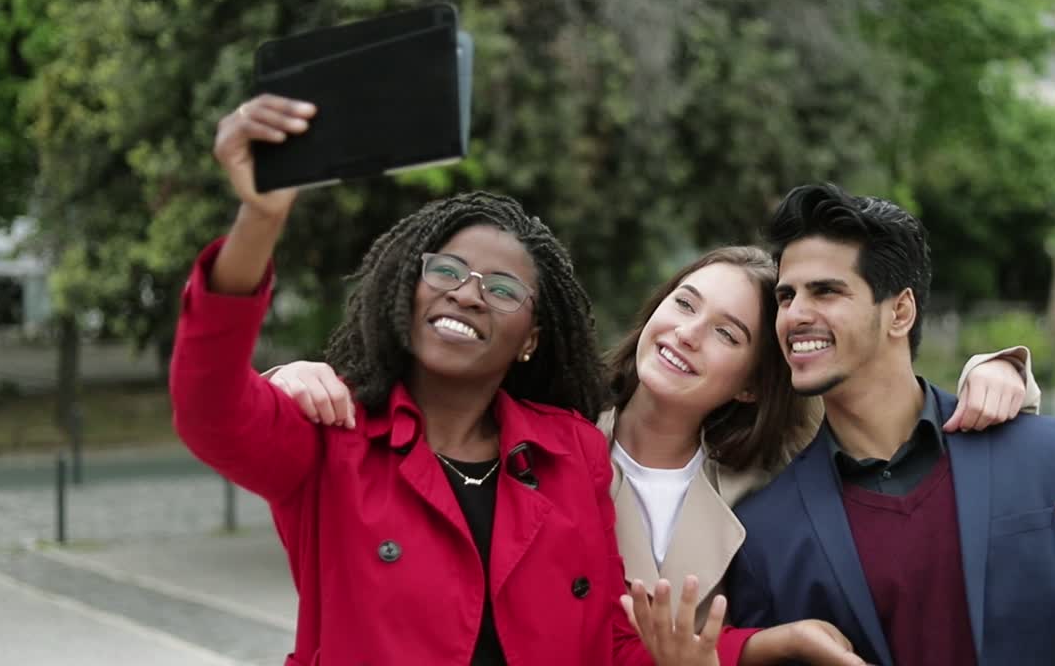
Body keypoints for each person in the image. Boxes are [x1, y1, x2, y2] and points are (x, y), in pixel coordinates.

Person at [171, 94, 749, 666]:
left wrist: (753, 649)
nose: (467, 293)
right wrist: (261, 218)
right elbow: (210, 412)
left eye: (501, 290)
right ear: (408, 290)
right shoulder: (332, 430)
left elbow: (608, 641)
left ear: (530, 339)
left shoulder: (572, 452)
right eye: (445, 271)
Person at [268, 246, 1039, 662]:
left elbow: (883, 417)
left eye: (729, 335)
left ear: (749, 386)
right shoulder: (548, 434)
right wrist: (287, 379)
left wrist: (998, 373)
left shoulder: (770, 479)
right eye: (683, 304)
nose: (686, 334)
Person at [724, 184, 1055, 666]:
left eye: (825, 291)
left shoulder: (1043, 458)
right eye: (785, 296)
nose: (795, 314)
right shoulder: (765, 533)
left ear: (900, 312)